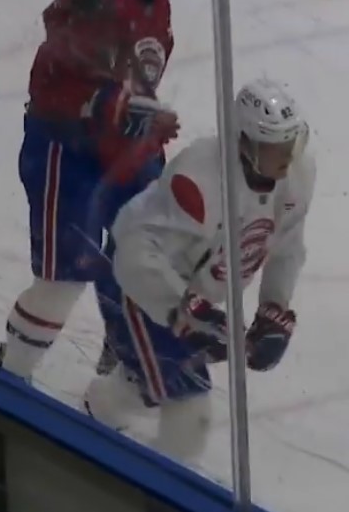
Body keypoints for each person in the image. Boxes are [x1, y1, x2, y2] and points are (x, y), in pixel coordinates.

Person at [82, 78, 316, 462]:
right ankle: (158, 487)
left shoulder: (297, 176)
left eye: (292, 142)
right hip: (134, 285)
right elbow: (136, 253)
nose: (288, 157)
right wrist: (184, 312)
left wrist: (274, 308)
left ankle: (96, 411)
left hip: (190, 294)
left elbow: (286, 247)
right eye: (275, 146)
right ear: (245, 144)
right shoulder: (199, 181)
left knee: (153, 382)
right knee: (189, 405)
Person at [0, 0, 180, 381]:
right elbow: (52, 84)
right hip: (67, 150)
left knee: (142, 259)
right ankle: (10, 377)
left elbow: (138, 77)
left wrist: (142, 116)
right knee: (65, 277)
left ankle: (117, 370)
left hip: (125, 152)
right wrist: (109, 103)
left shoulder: (157, 0)